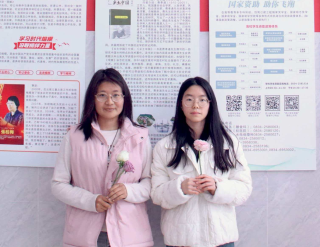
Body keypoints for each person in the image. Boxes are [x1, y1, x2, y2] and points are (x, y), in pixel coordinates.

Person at [52, 69, 153, 247]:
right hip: (85, 234)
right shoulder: (74, 136)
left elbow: (150, 183)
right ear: (93, 99)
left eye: (115, 95)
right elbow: (58, 184)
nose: (109, 102)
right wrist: (91, 201)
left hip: (130, 235)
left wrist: (129, 191)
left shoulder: (140, 136)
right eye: (102, 95)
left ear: (124, 98)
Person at [151, 77, 252, 247]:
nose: (195, 105)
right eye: (189, 99)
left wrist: (217, 188)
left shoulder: (229, 144)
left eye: (202, 100)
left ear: (210, 104)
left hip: (221, 239)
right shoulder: (165, 147)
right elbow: (156, 194)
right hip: (180, 240)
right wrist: (179, 188)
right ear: (181, 104)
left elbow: (244, 189)